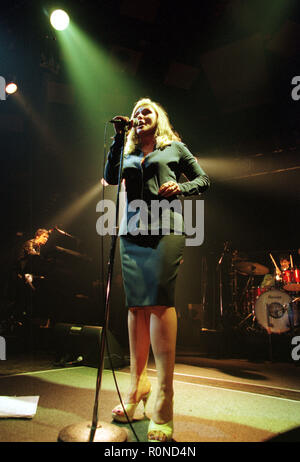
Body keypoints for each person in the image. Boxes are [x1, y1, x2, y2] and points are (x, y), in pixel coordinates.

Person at [104, 97, 210, 442]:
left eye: (146, 111)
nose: (140, 115)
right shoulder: (128, 152)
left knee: (159, 302)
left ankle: (165, 394)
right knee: (136, 305)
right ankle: (136, 385)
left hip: (166, 229)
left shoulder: (174, 148)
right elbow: (109, 177)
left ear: (158, 118)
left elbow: (203, 180)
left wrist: (181, 187)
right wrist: (119, 139)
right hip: (131, 232)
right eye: (136, 112)